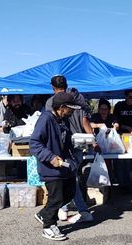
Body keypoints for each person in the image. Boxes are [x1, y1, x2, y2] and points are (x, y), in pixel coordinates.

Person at [30, 92, 80, 241]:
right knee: (56, 199)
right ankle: (48, 226)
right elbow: (34, 144)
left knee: (69, 193)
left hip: (64, 166)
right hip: (50, 168)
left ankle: (43, 214)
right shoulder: (45, 119)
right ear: (61, 107)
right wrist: (50, 157)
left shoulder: (63, 120)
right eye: (70, 108)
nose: (73, 111)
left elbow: (65, 142)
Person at [45, 76, 94, 223]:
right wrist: (93, 140)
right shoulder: (78, 98)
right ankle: (66, 209)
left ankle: (78, 211)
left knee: (68, 180)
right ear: (66, 85)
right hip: (79, 146)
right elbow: (85, 121)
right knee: (70, 179)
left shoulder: (51, 102)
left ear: (52, 87)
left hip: (63, 148)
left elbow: (50, 125)